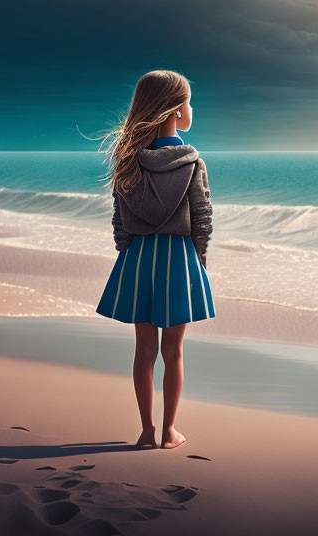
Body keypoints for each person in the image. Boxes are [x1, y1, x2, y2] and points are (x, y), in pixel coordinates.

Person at [94, 69, 215, 451]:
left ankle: (145, 431)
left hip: (139, 259)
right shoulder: (192, 162)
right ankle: (169, 432)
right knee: (173, 351)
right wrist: (201, 258)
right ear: (177, 110)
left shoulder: (128, 162)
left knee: (143, 350)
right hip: (179, 260)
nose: (190, 108)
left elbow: (120, 220)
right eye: (189, 102)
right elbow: (202, 218)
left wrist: (126, 253)